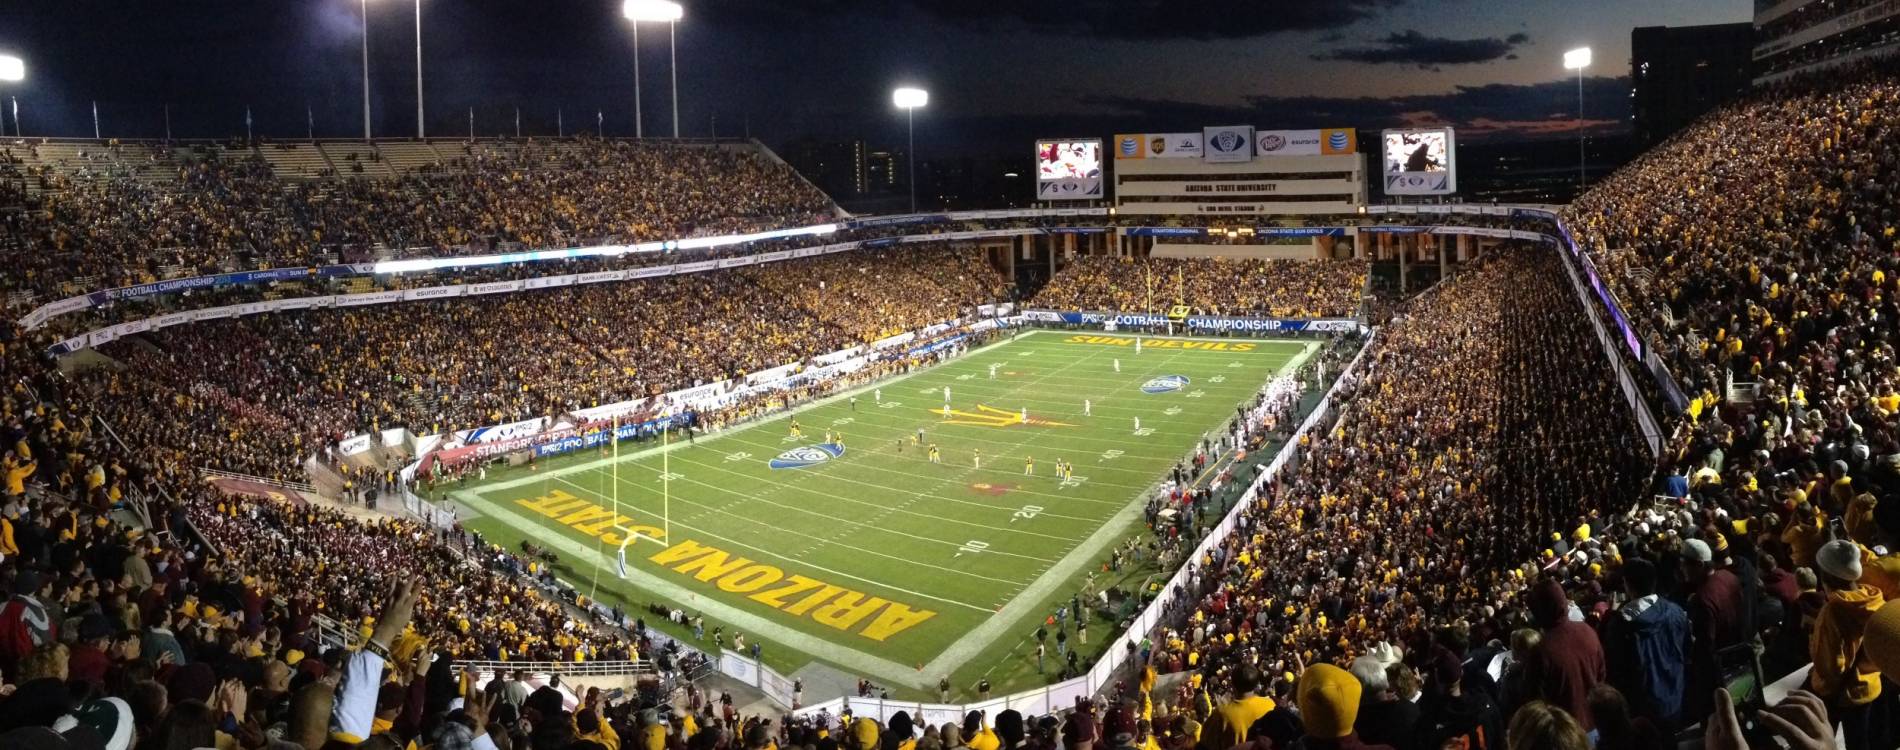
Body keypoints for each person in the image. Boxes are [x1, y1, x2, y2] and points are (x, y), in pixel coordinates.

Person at [1808, 539, 1890, 750]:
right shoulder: (1875, 597)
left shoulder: (1834, 611)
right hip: (1874, 684)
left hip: (1848, 695)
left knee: (1857, 743)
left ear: (1826, 574)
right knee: (1872, 738)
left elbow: (1831, 667)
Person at [1603, 557, 1689, 730]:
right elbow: (1686, 651)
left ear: (1627, 584)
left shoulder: (1620, 625)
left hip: (1643, 713)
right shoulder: (1676, 611)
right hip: (1676, 699)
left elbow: (1615, 670)